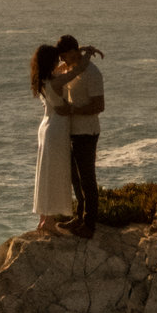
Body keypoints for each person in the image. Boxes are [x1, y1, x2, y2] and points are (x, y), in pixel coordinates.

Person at [28, 44, 95, 234]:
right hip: (56, 130)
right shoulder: (56, 81)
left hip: (46, 127)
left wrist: (76, 49)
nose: (60, 61)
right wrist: (87, 53)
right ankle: (48, 221)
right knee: (55, 175)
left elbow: (65, 68)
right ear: (51, 61)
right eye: (57, 58)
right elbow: (79, 69)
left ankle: (43, 218)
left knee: (45, 174)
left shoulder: (43, 78)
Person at [55, 34, 104, 239]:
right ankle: (80, 216)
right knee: (75, 178)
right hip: (72, 131)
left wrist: (72, 110)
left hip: (87, 131)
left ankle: (90, 224)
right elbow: (56, 70)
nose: (62, 61)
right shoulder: (70, 68)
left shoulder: (92, 73)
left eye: (65, 56)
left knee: (87, 179)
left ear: (73, 52)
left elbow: (99, 106)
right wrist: (82, 50)